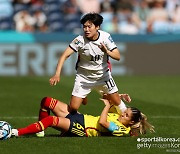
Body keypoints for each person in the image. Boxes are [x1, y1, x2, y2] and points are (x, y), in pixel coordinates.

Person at [49, 12, 123, 113]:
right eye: (84, 27)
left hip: (103, 76)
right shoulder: (79, 40)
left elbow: (118, 56)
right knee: (74, 108)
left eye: (89, 26)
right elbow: (64, 56)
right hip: (83, 77)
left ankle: (132, 123)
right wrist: (57, 74)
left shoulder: (105, 37)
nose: (86, 30)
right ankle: (83, 97)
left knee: (117, 102)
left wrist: (107, 51)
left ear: (97, 27)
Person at [11, 97, 154, 137]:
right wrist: (119, 97)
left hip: (82, 128)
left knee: (50, 120)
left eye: (126, 114)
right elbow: (111, 100)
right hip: (80, 117)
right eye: (125, 111)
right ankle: (40, 131)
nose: (123, 113)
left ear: (131, 121)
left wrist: (106, 105)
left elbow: (103, 122)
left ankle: (15, 132)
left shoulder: (121, 129)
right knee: (46, 101)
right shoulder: (119, 117)